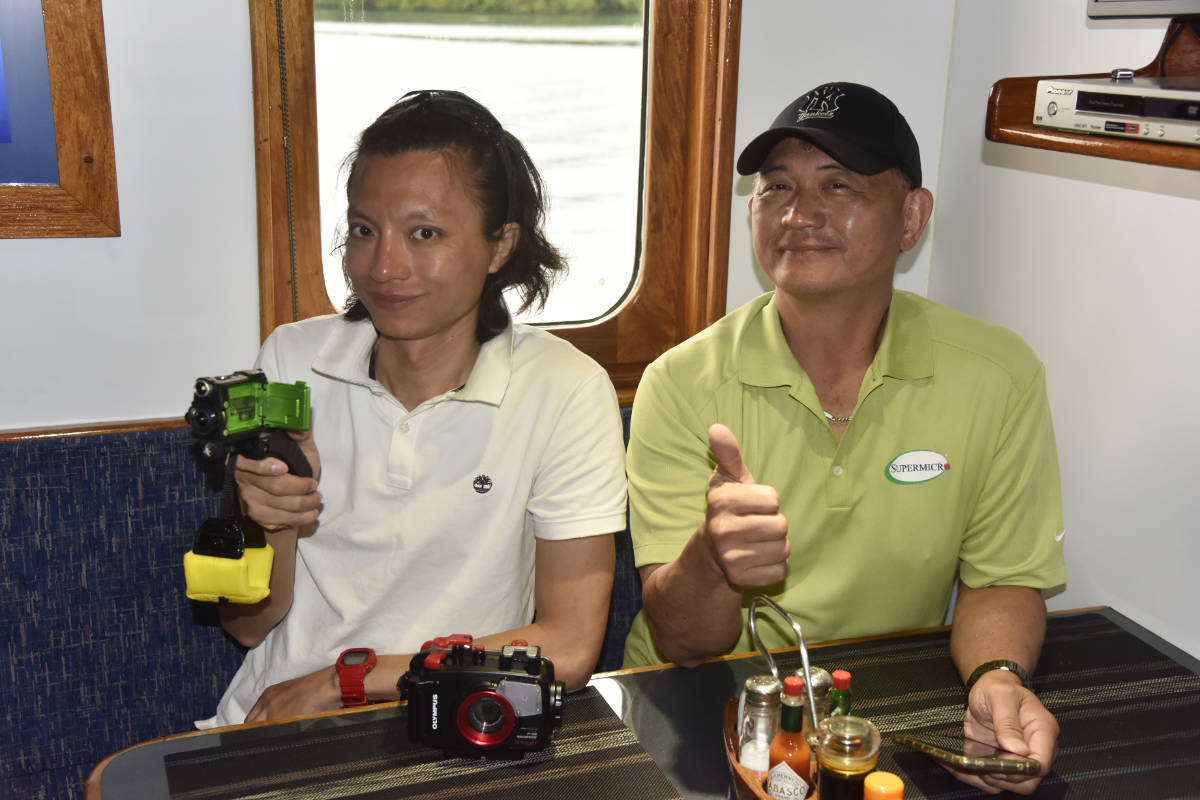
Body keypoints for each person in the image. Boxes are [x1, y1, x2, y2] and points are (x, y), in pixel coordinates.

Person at [621, 82, 1066, 795]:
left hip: (877, 695)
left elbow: (1003, 577)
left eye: (839, 184)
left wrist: (997, 677)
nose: (800, 213)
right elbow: (680, 641)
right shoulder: (681, 382)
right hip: (698, 699)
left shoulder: (999, 375)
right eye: (777, 188)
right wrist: (713, 559)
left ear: (912, 217)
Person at [198, 90, 627, 728]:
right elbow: (248, 627)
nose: (383, 265)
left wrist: (345, 681)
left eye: (424, 233)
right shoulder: (291, 359)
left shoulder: (565, 389)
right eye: (364, 231)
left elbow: (567, 647)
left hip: (462, 721)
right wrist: (278, 520)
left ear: (500, 245)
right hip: (283, 718)